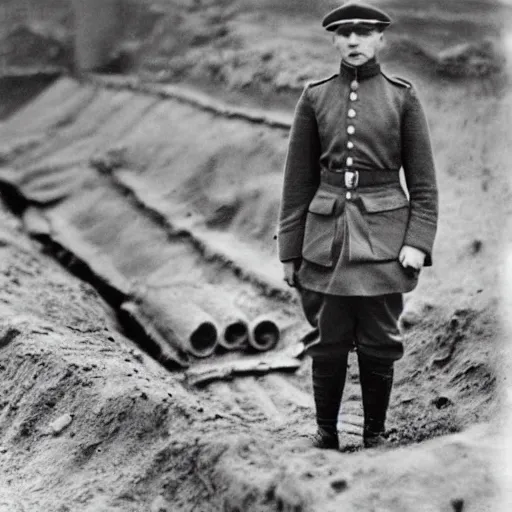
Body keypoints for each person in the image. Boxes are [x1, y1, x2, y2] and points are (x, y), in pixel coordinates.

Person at [277, 1, 438, 449]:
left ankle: (375, 434)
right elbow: (297, 183)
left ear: (381, 40)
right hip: (325, 240)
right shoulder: (314, 96)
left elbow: (424, 185)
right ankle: (325, 433)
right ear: (333, 39)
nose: (353, 41)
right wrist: (290, 250)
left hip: (385, 244)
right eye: (345, 33)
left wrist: (417, 242)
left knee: (380, 339)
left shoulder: (402, 97)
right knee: (327, 339)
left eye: (364, 33)